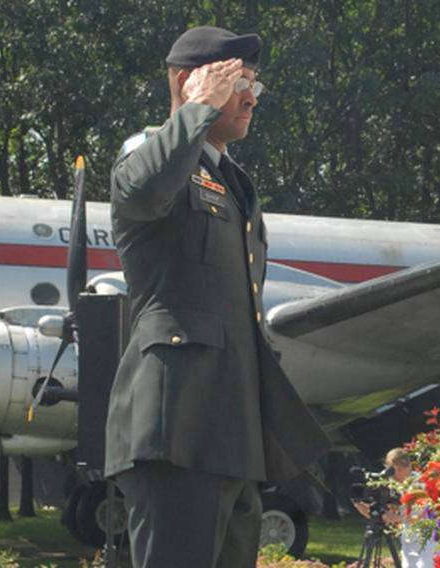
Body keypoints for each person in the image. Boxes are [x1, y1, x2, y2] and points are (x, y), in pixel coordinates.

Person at [104, 25, 330, 567]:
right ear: (190, 83)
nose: (251, 96)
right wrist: (195, 109)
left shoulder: (227, 181)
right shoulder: (153, 159)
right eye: (238, 81)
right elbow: (141, 191)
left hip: (229, 432)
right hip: (176, 427)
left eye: (256, 83)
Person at [354, 449, 438, 568]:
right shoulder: (390, 483)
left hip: (426, 541)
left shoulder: (419, 483)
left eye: (400, 469)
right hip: (408, 540)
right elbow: (384, 516)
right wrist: (361, 505)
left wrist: (395, 518)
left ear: (409, 466)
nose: (396, 474)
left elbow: (423, 517)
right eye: (392, 469)